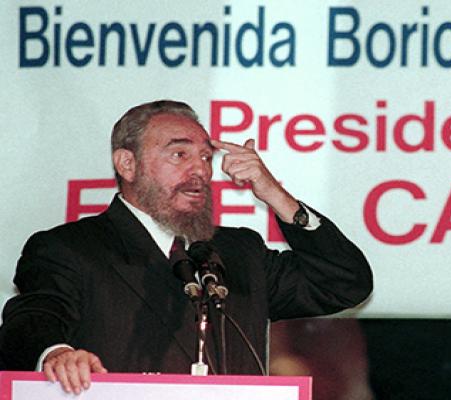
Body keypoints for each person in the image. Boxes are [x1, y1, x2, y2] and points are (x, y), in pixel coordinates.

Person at [0, 100, 373, 394]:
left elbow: (344, 282)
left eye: (206, 158)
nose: (199, 170)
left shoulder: (239, 252)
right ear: (127, 164)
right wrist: (56, 353)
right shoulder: (70, 249)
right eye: (179, 155)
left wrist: (275, 195)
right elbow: (31, 320)